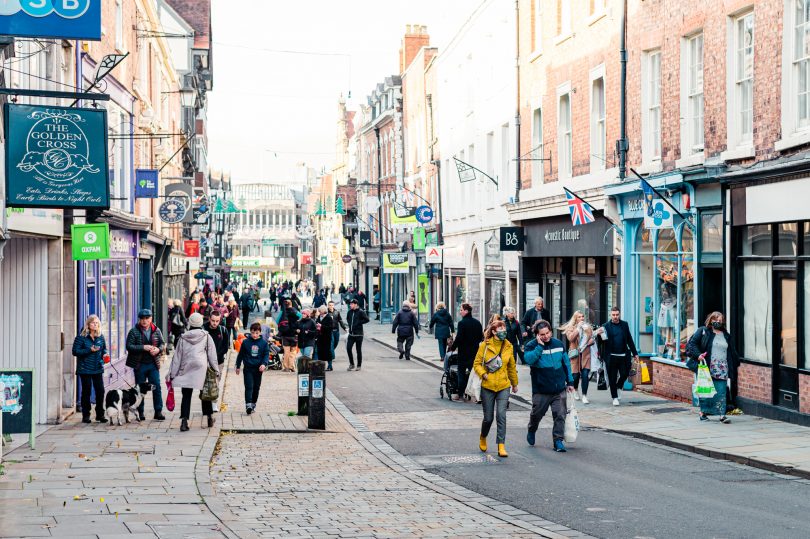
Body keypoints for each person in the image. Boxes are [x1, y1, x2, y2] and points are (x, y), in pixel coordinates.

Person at [523, 320, 575, 452]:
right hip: (541, 390)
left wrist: (570, 382)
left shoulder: (559, 344)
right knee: (537, 415)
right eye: (542, 334)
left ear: (551, 331)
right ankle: (532, 429)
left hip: (559, 389)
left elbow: (566, 364)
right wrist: (539, 347)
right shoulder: (531, 345)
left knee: (560, 415)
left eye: (547, 333)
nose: (546, 336)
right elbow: (528, 360)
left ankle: (558, 441)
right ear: (537, 335)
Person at [473, 319, 518, 458]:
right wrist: (483, 374)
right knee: (488, 418)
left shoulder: (508, 346)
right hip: (488, 385)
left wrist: (514, 383)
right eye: (500, 329)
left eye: (504, 329)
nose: (504, 331)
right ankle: (483, 436)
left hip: (503, 385)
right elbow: (477, 363)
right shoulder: (485, 345)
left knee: (501, 415)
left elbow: (511, 366)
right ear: (493, 332)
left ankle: (501, 445)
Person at [167, 313, 220, 431]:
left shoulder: (183, 338)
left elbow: (177, 358)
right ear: (201, 322)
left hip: (186, 368)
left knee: (186, 395)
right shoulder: (206, 336)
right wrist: (216, 370)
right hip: (201, 368)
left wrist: (172, 374)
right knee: (205, 393)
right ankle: (209, 417)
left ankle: (184, 421)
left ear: (190, 323)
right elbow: (212, 356)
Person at [686, 311, 740, 423]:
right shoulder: (704, 331)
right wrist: (698, 355)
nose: (718, 322)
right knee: (706, 390)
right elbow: (692, 344)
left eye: (720, 320)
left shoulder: (725, 335)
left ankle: (722, 415)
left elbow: (731, 351)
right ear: (710, 320)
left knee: (721, 391)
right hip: (707, 366)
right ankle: (703, 412)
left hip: (722, 368)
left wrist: (735, 363)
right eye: (715, 320)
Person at [125, 309, 166, 421]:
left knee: (156, 387)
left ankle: (158, 412)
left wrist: (158, 349)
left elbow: (162, 344)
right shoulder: (133, 331)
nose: (144, 321)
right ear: (139, 319)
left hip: (153, 364)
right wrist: (143, 347)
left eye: (147, 318)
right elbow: (129, 346)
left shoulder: (156, 330)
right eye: (142, 318)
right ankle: (140, 412)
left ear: (151, 319)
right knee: (139, 390)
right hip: (139, 365)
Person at [596, 306, 639, 406]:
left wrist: (635, 353)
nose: (615, 317)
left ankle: (619, 386)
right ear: (610, 315)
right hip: (611, 356)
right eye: (613, 315)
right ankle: (614, 397)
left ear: (619, 314)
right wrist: (599, 335)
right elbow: (601, 342)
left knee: (625, 373)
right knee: (612, 377)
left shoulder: (624, 324)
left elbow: (629, 339)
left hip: (623, 355)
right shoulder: (605, 326)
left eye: (617, 315)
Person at [72, 315, 108, 424]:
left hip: (97, 368)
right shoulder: (81, 337)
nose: (95, 325)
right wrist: (89, 350)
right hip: (85, 369)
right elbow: (75, 351)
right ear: (88, 325)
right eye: (93, 323)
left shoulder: (100, 337)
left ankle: (100, 415)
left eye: (97, 323)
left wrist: (105, 355)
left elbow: (104, 349)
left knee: (100, 391)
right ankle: (86, 415)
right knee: (86, 392)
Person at [449, 303, 484, 401]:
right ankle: (476, 394)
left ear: (466, 311)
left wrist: (453, 347)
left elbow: (459, 338)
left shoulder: (462, 323)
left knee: (461, 373)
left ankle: (460, 394)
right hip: (475, 352)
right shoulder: (477, 323)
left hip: (463, 353)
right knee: (474, 374)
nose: (460, 312)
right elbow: (481, 337)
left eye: (461, 310)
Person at [235, 322, 270, 415]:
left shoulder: (264, 343)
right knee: (249, 386)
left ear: (260, 332)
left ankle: (253, 403)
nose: (254, 335)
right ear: (250, 332)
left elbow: (266, 354)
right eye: (253, 333)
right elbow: (241, 354)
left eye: (257, 333)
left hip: (258, 369)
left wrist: (264, 364)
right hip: (248, 368)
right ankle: (248, 405)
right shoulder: (246, 342)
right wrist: (238, 366)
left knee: (256, 388)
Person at [560, 311, 594, 405]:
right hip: (575, 355)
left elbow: (592, 338)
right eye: (579, 317)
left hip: (586, 355)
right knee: (575, 376)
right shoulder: (571, 328)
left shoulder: (587, 327)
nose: (582, 318)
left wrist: (592, 341)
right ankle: (575, 389)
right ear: (575, 318)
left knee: (585, 375)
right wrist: (578, 328)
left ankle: (584, 395)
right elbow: (571, 338)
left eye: (582, 316)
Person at [346, 298, 369, 371]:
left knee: (358, 350)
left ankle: (359, 365)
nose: (350, 305)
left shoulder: (361, 312)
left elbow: (367, 319)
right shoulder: (349, 312)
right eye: (350, 304)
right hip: (351, 334)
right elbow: (347, 319)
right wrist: (350, 325)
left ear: (356, 304)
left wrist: (359, 323)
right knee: (348, 348)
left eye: (352, 304)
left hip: (359, 334)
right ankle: (352, 364)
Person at [278, 299, 299, 372]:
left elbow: (277, 321)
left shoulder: (282, 312)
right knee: (293, 351)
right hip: (293, 335)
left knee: (286, 352)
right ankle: (291, 366)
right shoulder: (295, 311)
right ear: (291, 304)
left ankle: (286, 367)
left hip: (285, 335)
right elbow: (301, 318)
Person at [328, 301, 346, 371]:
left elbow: (340, 321)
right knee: (331, 345)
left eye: (332, 305)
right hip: (330, 331)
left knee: (335, 343)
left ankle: (331, 352)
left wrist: (344, 328)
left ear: (334, 305)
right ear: (328, 305)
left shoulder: (337, 312)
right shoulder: (326, 313)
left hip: (336, 331)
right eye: (329, 305)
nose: (331, 306)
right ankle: (331, 358)